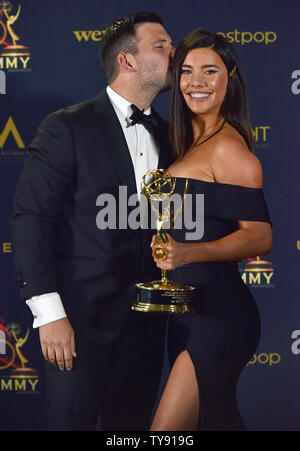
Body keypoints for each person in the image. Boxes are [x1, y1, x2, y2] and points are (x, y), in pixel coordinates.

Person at [11, 11, 175, 431]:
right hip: (79, 326)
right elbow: (32, 219)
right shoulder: (68, 127)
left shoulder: (170, 135)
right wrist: (49, 315)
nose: (175, 52)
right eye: (162, 45)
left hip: (147, 328)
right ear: (128, 61)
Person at [150, 29, 273, 431]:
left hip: (219, 316)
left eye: (209, 71)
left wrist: (187, 253)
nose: (196, 83)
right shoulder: (187, 142)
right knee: (217, 421)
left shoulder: (228, 149)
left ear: (230, 78)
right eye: (186, 72)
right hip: (185, 313)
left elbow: (260, 236)